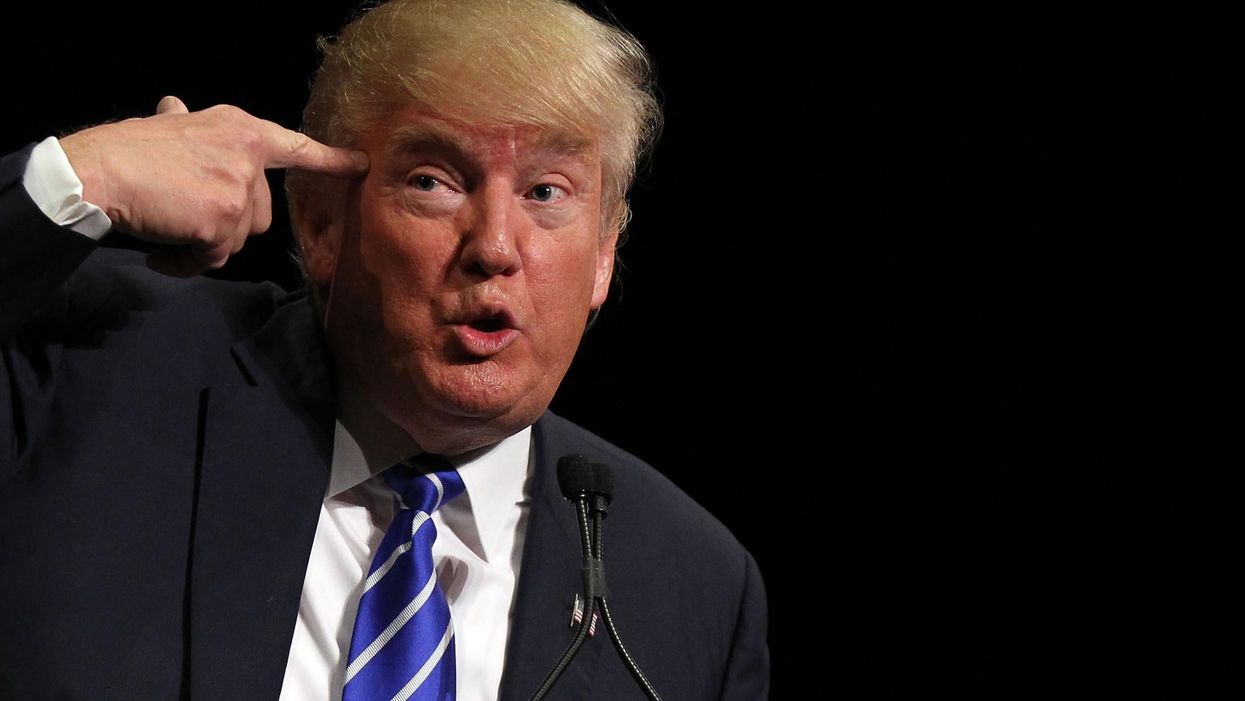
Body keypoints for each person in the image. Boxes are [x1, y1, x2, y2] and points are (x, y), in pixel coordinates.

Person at [0, 1, 768, 699]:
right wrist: (75, 177)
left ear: (603, 254)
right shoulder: (95, 366)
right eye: (434, 181)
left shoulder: (693, 586)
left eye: (545, 192)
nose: (495, 247)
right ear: (321, 223)